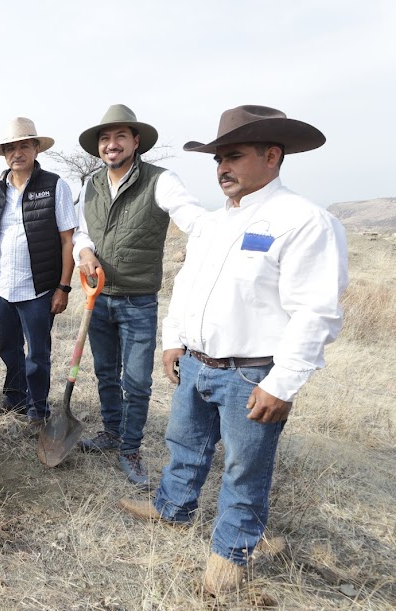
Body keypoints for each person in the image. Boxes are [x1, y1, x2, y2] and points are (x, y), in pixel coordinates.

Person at [118, 105, 348, 595]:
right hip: (197, 364)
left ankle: (230, 556)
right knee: (183, 445)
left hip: (253, 373)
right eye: (218, 157)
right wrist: (173, 340)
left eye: (234, 156)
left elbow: (316, 313)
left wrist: (281, 383)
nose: (223, 167)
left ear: (272, 155)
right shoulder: (213, 224)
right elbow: (186, 287)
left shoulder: (304, 222)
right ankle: (172, 508)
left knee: (245, 470)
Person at [72, 104, 204, 487]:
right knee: (105, 373)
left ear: (136, 141)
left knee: (137, 381)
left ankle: (130, 447)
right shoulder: (91, 185)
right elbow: (83, 231)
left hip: (138, 300)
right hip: (98, 298)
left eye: (119, 137)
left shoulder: (160, 181)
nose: (111, 145)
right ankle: (111, 432)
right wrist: (83, 252)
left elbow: (191, 215)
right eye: (105, 139)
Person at [0, 117, 77, 423]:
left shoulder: (54, 186)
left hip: (38, 289)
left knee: (37, 355)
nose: (17, 153)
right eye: (11, 147)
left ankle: (39, 409)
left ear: (36, 148)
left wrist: (63, 287)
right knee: (9, 350)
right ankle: (15, 399)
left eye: (24, 145)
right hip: (5, 288)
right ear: (5, 154)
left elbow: (67, 240)